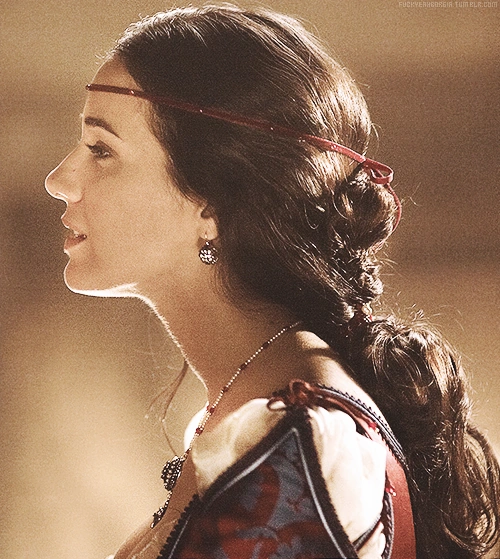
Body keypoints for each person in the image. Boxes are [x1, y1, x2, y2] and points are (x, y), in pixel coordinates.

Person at [45, 5, 499, 559]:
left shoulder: (300, 448)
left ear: (212, 201)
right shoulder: (251, 419)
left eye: (101, 150)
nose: (60, 180)